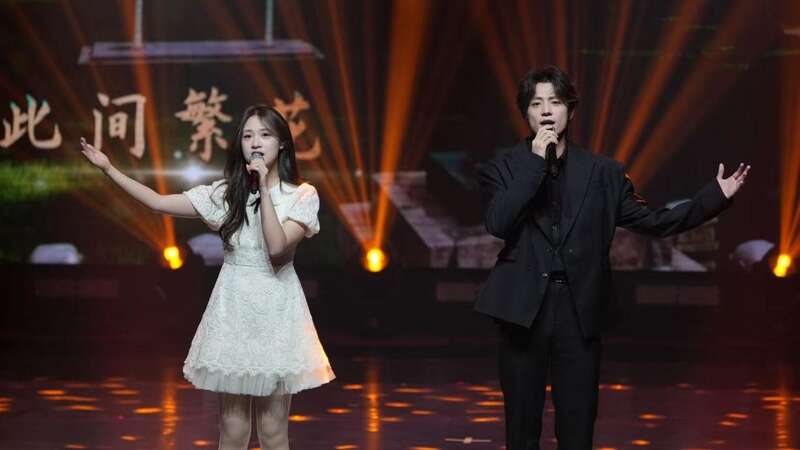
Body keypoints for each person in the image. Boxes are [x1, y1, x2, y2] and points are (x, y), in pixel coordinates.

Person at [475, 65, 750, 450]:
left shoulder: (602, 172)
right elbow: (498, 223)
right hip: (521, 310)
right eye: (536, 103)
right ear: (526, 113)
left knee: (578, 428)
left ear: (571, 109)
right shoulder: (502, 168)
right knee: (521, 429)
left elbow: (654, 222)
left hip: (579, 310)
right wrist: (535, 163)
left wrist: (714, 198)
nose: (547, 110)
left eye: (555, 101)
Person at [80, 104, 334, 450]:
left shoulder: (301, 195)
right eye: (247, 135)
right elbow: (158, 202)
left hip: (277, 313)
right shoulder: (226, 194)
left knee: (273, 431)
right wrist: (109, 169)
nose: (255, 143)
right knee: (233, 430)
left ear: (282, 144)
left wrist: (262, 187)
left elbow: (276, 246)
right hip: (233, 311)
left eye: (264, 135)